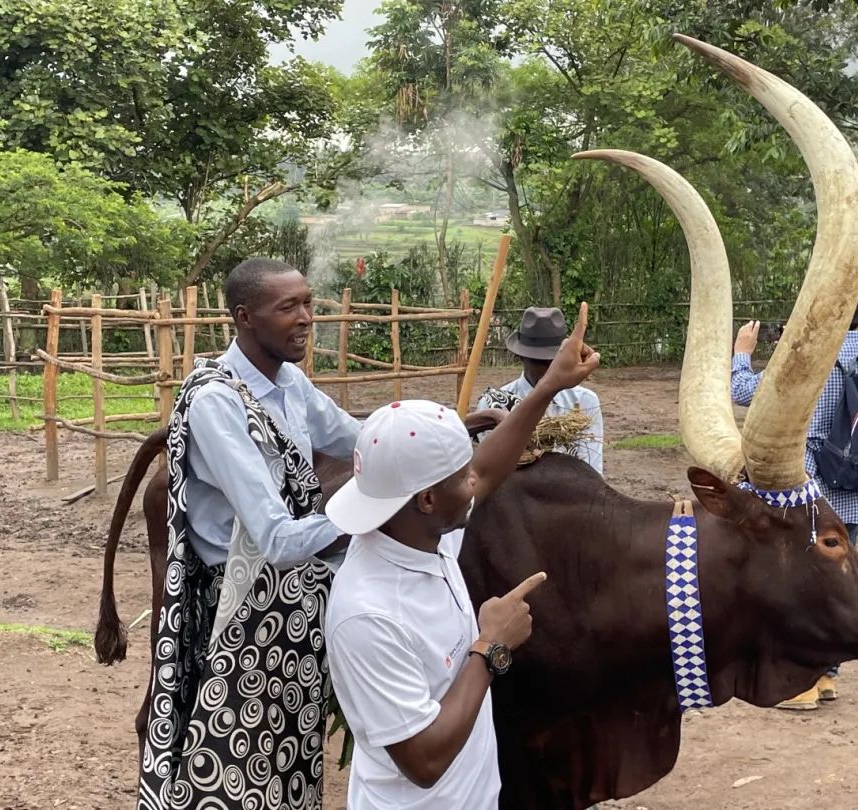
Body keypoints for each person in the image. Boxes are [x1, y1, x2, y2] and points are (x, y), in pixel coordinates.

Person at [324, 304, 600, 808]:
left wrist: (548, 386)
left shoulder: (420, 534)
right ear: (428, 499)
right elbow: (424, 761)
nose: (474, 482)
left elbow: (489, 469)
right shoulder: (367, 613)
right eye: (461, 476)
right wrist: (491, 647)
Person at [137, 257, 361, 809]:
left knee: (290, 762)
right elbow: (276, 539)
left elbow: (357, 437)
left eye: (308, 303)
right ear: (244, 317)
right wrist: (367, 517)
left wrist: (432, 435)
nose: (305, 318)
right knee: (237, 770)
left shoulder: (289, 383)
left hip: (292, 609)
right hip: (240, 615)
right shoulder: (216, 400)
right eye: (288, 307)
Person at [731, 290, 858, 710]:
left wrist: (742, 353)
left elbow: (744, 392)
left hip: (810, 492)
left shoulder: (807, 356)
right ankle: (827, 675)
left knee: (798, 584)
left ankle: (798, 684)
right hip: (856, 485)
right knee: (837, 583)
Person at [478, 306, 604, 474]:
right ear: (521, 356)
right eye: (538, 361)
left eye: (553, 361)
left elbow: (592, 471)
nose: (548, 371)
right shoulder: (495, 404)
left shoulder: (584, 402)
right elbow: (486, 472)